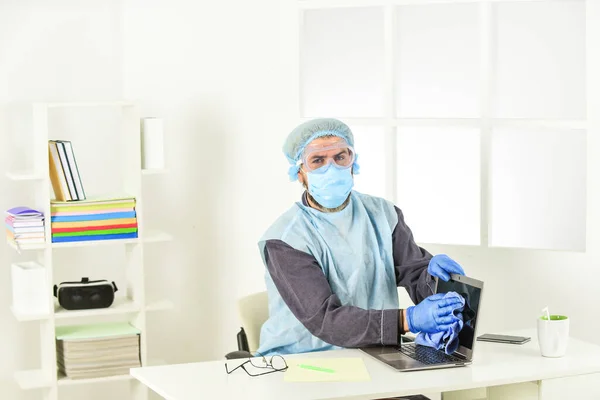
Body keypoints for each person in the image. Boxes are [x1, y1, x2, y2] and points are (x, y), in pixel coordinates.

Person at [256, 118, 466, 357]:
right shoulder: (285, 240)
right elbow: (326, 320)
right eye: (318, 160)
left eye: (340, 157)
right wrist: (408, 319)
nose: (332, 168)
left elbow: (414, 272)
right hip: (303, 360)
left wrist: (436, 282)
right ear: (299, 171)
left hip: (373, 351)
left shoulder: (384, 215)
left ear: (352, 161)